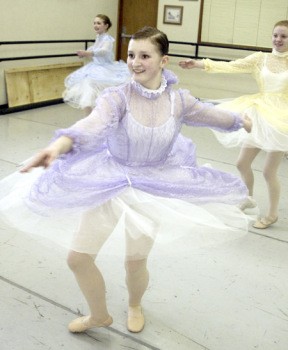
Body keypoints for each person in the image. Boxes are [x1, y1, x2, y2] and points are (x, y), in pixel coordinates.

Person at [0, 27, 251, 335]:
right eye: (131, 55)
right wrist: (58, 145)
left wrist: (240, 120)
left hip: (153, 185)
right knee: (78, 258)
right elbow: (91, 125)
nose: (135, 62)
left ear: (163, 61)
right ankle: (99, 315)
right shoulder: (117, 97)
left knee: (135, 262)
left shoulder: (179, 101)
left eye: (145, 55)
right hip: (110, 179)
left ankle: (134, 304)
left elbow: (213, 115)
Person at [179, 20, 288, 229]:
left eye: (284, 36)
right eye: (276, 35)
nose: (278, 40)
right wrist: (200, 64)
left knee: (268, 171)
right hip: (260, 112)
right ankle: (248, 198)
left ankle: (272, 214)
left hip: (281, 120)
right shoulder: (260, 59)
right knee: (241, 163)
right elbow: (232, 66)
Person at [63, 14, 130, 115]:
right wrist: (85, 53)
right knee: (88, 94)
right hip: (95, 68)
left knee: (98, 95)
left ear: (106, 26)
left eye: (99, 23)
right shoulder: (99, 37)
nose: (95, 25)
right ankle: (90, 119)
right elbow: (94, 49)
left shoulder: (108, 39)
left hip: (105, 69)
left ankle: (97, 118)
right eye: (94, 23)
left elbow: (104, 51)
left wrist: (88, 53)